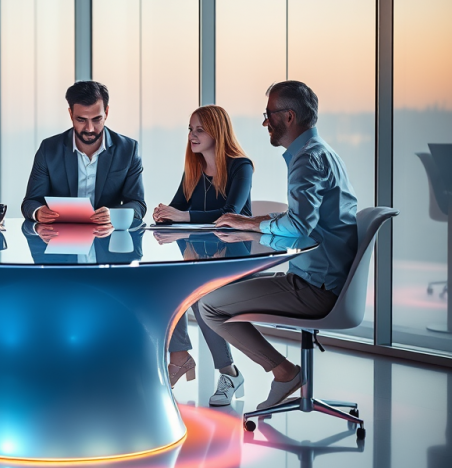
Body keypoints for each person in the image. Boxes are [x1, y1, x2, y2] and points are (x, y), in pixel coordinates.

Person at [200, 80, 358, 411]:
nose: (265, 122)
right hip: (322, 279)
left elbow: (298, 226)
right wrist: (250, 222)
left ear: (289, 116)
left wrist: (250, 225)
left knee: (209, 305)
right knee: (218, 292)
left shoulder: (307, 159)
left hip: (316, 288)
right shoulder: (321, 152)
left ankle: (284, 372)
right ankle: (284, 372)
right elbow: (300, 218)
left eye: (269, 114)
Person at [152, 105, 254, 406]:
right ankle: (179, 356)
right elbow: (177, 209)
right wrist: (164, 215)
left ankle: (229, 373)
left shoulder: (241, 166)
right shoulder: (194, 168)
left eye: (199, 130)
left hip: (234, 259)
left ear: (217, 132)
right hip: (199, 257)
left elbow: (230, 215)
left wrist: (182, 216)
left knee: (198, 296)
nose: (192, 135)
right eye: (190, 129)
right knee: (166, 286)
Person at [21, 80, 146, 225]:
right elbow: (31, 202)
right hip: (61, 235)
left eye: (96, 119)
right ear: (70, 114)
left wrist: (113, 215)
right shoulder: (49, 149)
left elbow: (138, 205)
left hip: (108, 236)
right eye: (81, 120)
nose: (89, 129)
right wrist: (38, 212)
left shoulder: (128, 150)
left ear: (106, 113)